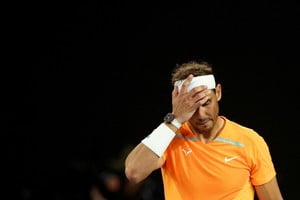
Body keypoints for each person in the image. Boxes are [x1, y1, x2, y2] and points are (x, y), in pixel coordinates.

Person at [124, 60, 283, 200]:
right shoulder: (169, 138)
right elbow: (133, 172)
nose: (201, 115)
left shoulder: (249, 141)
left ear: (218, 92)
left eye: (206, 103)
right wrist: (175, 119)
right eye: (191, 108)